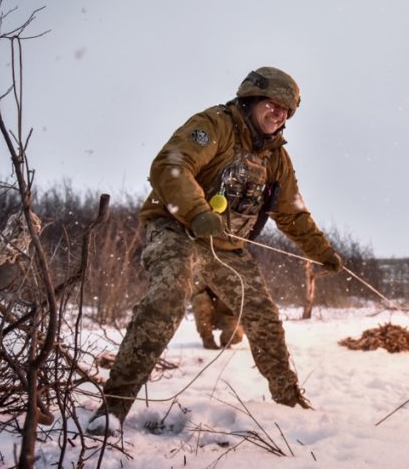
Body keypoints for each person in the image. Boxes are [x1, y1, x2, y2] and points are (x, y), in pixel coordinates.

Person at [89, 66, 343, 433]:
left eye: (286, 111)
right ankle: (112, 408)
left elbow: (292, 213)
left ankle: (290, 404)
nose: (279, 114)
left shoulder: (276, 159)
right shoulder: (214, 125)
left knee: (264, 317)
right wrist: (197, 212)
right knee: (169, 297)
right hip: (177, 229)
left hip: (226, 248)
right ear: (252, 99)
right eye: (273, 104)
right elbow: (171, 165)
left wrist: (322, 251)